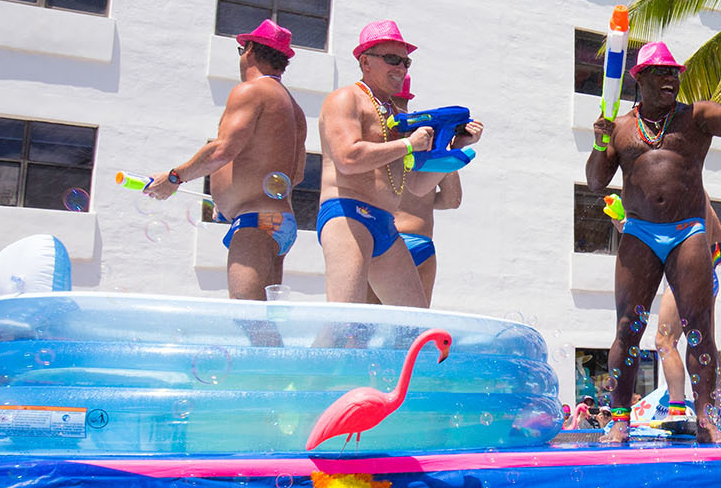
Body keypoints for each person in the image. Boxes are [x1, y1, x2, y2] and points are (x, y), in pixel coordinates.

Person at [587, 43, 721, 441]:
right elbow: (597, 182)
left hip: (688, 232)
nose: (671, 79)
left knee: (699, 327)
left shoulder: (693, 117)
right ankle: (618, 420)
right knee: (628, 328)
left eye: (675, 72)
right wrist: (601, 141)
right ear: (640, 78)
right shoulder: (621, 127)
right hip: (639, 233)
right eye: (662, 72)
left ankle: (706, 420)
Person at [315, 20, 482, 306]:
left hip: (384, 222)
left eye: (406, 61)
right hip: (348, 213)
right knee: (348, 326)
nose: (401, 68)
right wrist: (408, 144)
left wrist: (456, 147)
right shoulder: (346, 98)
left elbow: (416, 185)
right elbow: (347, 158)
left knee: (413, 324)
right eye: (392, 59)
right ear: (365, 61)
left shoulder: (393, 115)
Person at [146, 20, 309, 301]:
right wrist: (233, 198)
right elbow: (296, 175)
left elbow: (223, 150)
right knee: (262, 323)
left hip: (257, 221)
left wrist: (174, 178)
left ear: (249, 50)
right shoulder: (294, 108)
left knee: (248, 319)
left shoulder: (251, 90)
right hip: (278, 220)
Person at [650, 200, 721, 426]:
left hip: (689, 273)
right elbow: (718, 233)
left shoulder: (686, 188)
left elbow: (716, 233)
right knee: (705, 344)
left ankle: (677, 409)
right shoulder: (694, 190)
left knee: (665, 340)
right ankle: (710, 412)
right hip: (704, 274)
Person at [388, 171, 461, 303]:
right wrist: (423, 202)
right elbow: (453, 200)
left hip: (385, 241)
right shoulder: (439, 153)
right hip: (419, 241)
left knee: (369, 316)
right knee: (417, 318)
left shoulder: (380, 152)